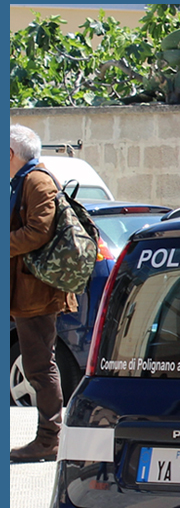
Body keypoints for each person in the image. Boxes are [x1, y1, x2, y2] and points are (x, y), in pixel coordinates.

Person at [10, 123, 78, 462]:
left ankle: (49, 439)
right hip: (23, 289)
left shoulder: (37, 180)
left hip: (35, 291)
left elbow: (38, 230)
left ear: (11, 154)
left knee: (39, 364)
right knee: (37, 362)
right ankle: (48, 437)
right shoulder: (21, 180)